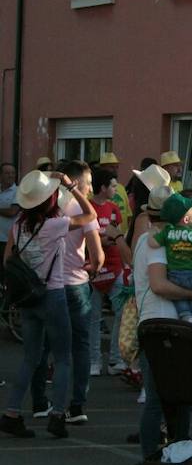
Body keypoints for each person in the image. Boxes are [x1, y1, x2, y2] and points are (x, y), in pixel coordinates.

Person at [113, 185, 192, 465]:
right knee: (160, 399)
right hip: (161, 326)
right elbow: (159, 285)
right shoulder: (155, 243)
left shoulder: (155, 239)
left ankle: (174, 458)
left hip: (162, 325)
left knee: (174, 398)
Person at [0, 170, 96, 439]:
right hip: (52, 295)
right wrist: (73, 188)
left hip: (28, 297)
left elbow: (9, 260)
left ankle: (12, 412)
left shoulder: (18, 227)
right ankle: (57, 415)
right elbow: (90, 215)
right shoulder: (55, 224)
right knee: (63, 358)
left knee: (30, 358)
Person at [54, 161, 104, 428]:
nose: (92, 188)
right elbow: (97, 255)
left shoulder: (48, 207)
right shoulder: (84, 211)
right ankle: (77, 404)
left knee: (53, 346)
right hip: (75, 283)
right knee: (80, 345)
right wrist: (93, 269)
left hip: (49, 285)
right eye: (89, 183)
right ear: (76, 183)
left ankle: (47, 404)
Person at [147, 193, 192, 324]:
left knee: (180, 297)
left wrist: (152, 232)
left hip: (176, 275)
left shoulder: (167, 232)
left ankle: (185, 314)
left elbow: (153, 243)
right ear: (186, 220)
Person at [88, 169, 128, 375]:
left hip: (115, 266)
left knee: (121, 313)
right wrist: (100, 241)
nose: (115, 189)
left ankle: (115, 358)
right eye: (112, 186)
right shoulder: (87, 207)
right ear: (102, 187)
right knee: (93, 318)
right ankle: (94, 360)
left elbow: (118, 233)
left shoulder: (114, 209)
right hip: (93, 268)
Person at [97, 152, 133, 234]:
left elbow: (128, 215)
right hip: (103, 237)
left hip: (121, 237)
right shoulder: (95, 189)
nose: (115, 170)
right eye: (111, 167)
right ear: (102, 168)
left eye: (117, 167)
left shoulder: (121, 188)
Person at [0, 163, 19, 281]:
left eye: (12, 173)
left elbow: (13, 211)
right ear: (0, 175)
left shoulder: (18, 191)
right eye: (7, 173)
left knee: (6, 272)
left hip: (8, 240)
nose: (10, 175)